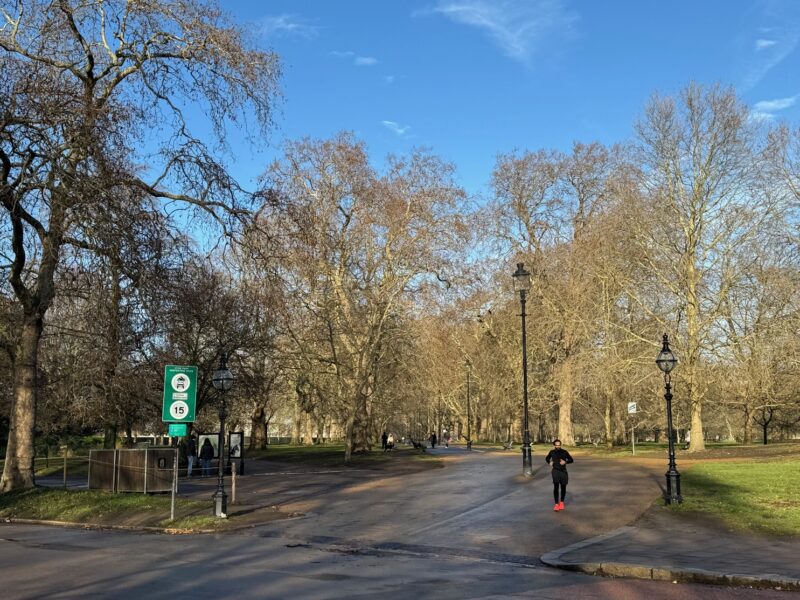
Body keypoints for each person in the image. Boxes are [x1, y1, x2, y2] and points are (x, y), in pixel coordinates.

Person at [545, 439, 574, 511]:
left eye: (559, 445)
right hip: (555, 471)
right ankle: (556, 504)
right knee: (556, 487)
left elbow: (571, 460)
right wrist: (549, 462)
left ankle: (561, 502)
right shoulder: (552, 452)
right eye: (556, 445)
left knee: (563, 487)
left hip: (563, 472)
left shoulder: (564, 452)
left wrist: (565, 462)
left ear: (561, 445)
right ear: (554, 445)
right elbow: (547, 458)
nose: (558, 446)